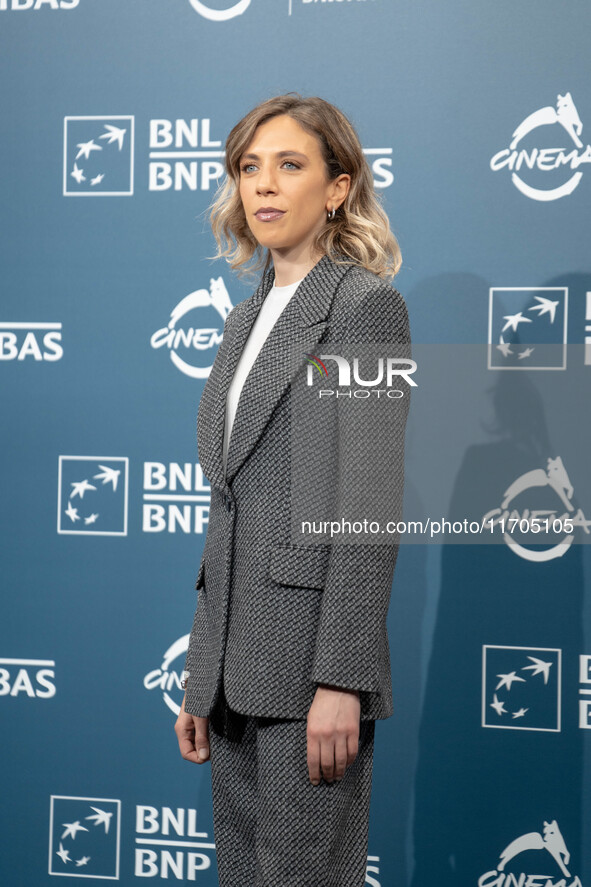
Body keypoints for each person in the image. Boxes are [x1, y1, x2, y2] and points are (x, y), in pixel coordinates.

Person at [174, 94, 411, 887]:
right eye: (249, 168)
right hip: (232, 668)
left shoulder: (364, 308)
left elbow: (368, 511)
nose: (264, 186)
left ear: (337, 187)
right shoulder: (243, 321)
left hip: (308, 668)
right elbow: (230, 509)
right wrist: (198, 676)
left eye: (290, 165)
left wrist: (340, 680)